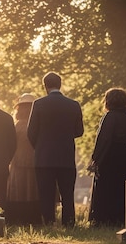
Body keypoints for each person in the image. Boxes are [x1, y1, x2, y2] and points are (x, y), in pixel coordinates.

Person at [27, 72, 84, 227]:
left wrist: (39, 147)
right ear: (61, 84)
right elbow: (79, 131)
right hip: (66, 157)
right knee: (67, 194)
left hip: (44, 158)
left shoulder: (38, 104)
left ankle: (49, 222)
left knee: (46, 194)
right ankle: (69, 223)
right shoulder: (73, 105)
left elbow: (30, 132)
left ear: (45, 85)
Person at [87, 88, 126, 227]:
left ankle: (103, 219)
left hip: (110, 156)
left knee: (106, 187)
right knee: (121, 189)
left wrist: (95, 158)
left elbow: (104, 139)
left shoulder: (110, 116)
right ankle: (120, 218)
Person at [6, 93, 42, 225]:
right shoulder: (38, 125)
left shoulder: (16, 126)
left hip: (17, 161)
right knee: (32, 189)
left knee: (18, 189)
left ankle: (17, 218)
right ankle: (33, 218)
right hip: (34, 161)